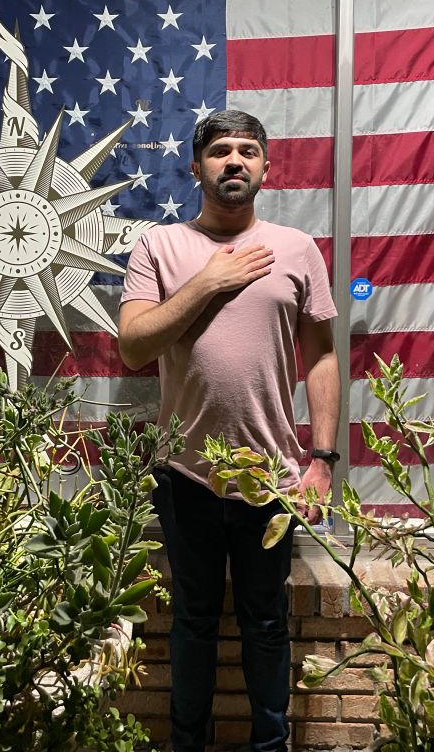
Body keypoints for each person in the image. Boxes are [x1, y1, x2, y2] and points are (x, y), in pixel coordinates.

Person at [118, 110, 340, 752]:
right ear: (195, 167)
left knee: (266, 623)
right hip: (184, 473)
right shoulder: (159, 246)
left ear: (268, 168)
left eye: (248, 151)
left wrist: (321, 460)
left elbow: (322, 356)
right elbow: (133, 345)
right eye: (219, 151)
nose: (234, 161)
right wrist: (210, 282)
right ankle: (188, 742)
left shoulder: (297, 248)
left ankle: (270, 746)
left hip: (272, 474)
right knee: (193, 622)